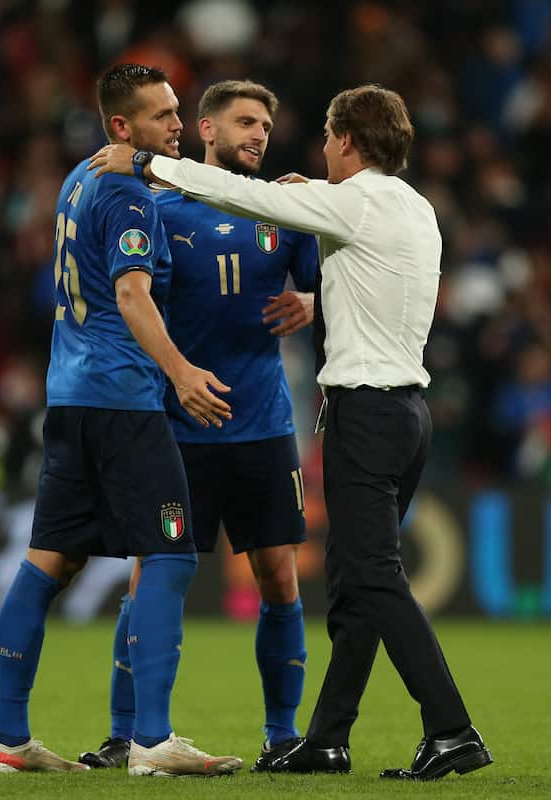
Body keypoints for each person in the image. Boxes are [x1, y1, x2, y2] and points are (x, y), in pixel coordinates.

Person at [90, 83, 493, 782]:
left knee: (371, 575)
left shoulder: (340, 201)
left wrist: (149, 165)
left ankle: (452, 728)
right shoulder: (417, 207)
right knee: (353, 586)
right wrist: (316, 295)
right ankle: (328, 735)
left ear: (344, 141)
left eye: (324, 137)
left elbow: (256, 201)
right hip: (407, 413)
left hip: (363, 413)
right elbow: (367, 274)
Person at [0, 63, 242, 778]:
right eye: (162, 116)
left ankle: (8, 740)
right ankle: (152, 742)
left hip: (68, 400)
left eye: (177, 111)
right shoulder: (128, 193)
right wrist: (181, 372)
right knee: (170, 553)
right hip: (122, 401)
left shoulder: (79, 179)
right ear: (123, 127)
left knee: (48, 563)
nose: (178, 125)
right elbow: (132, 296)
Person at [78, 80, 318, 772]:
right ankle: (129, 733)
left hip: (264, 424)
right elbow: (126, 296)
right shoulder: (153, 206)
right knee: (151, 578)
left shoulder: (283, 209)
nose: (260, 134)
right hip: (177, 427)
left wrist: (308, 295)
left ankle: (281, 734)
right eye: (245, 121)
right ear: (206, 131)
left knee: (279, 575)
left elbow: (324, 277)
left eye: (267, 125)